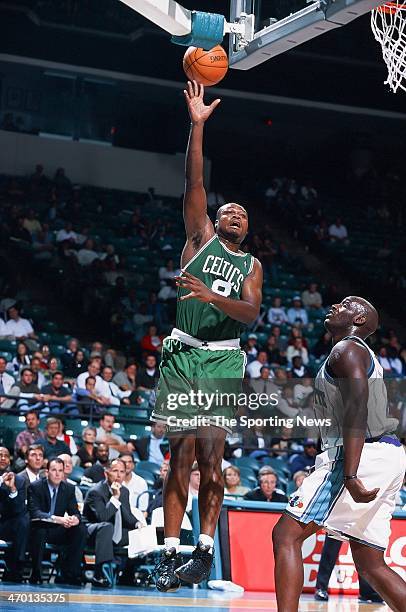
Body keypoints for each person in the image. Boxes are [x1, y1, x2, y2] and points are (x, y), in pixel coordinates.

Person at [151, 81, 262, 591]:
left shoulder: (251, 264)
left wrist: (210, 295)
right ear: (214, 219)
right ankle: (168, 553)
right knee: (181, 453)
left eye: (243, 213)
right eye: (229, 210)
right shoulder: (199, 237)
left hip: (221, 359)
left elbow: (250, 314)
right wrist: (197, 124)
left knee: (214, 459)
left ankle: (204, 549)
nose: (236, 213)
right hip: (183, 353)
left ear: (247, 228)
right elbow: (193, 179)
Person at [272, 296, 405, 611]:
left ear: (358, 320)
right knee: (370, 561)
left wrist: (350, 474)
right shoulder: (353, 353)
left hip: (364, 453)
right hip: (388, 453)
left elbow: (356, 407)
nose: (336, 306)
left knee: (286, 535)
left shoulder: (347, 349)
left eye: (346, 304)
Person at [83, 458, 142, 588]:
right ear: (106, 473)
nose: (119, 475)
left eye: (122, 471)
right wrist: (115, 497)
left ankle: (127, 574)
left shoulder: (124, 491)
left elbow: (126, 516)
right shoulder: (96, 492)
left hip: (113, 531)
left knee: (140, 534)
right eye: (115, 471)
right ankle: (99, 574)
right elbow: (102, 517)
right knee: (106, 527)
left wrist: (138, 524)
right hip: (92, 531)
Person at [28, 457, 86, 585]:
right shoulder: (35, 487)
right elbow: (35, 513)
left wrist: (75, 519)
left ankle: (71, 574)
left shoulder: (69, 489)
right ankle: (36, 573)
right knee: (40, 530)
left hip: (57, 531)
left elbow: (75, 512)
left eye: (60, 470)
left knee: (80, 529)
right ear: (47, 472)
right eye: (54, 470)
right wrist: (57, 519)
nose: (57, 473)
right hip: (41, 527)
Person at [0, 470, 29, 583]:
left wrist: (12, 489)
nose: (2, 458)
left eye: (6, 455)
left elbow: (18, 510)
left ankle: (17, 566)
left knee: (22, 521)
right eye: (0, 455)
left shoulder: (18, 481)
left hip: (4, 525)